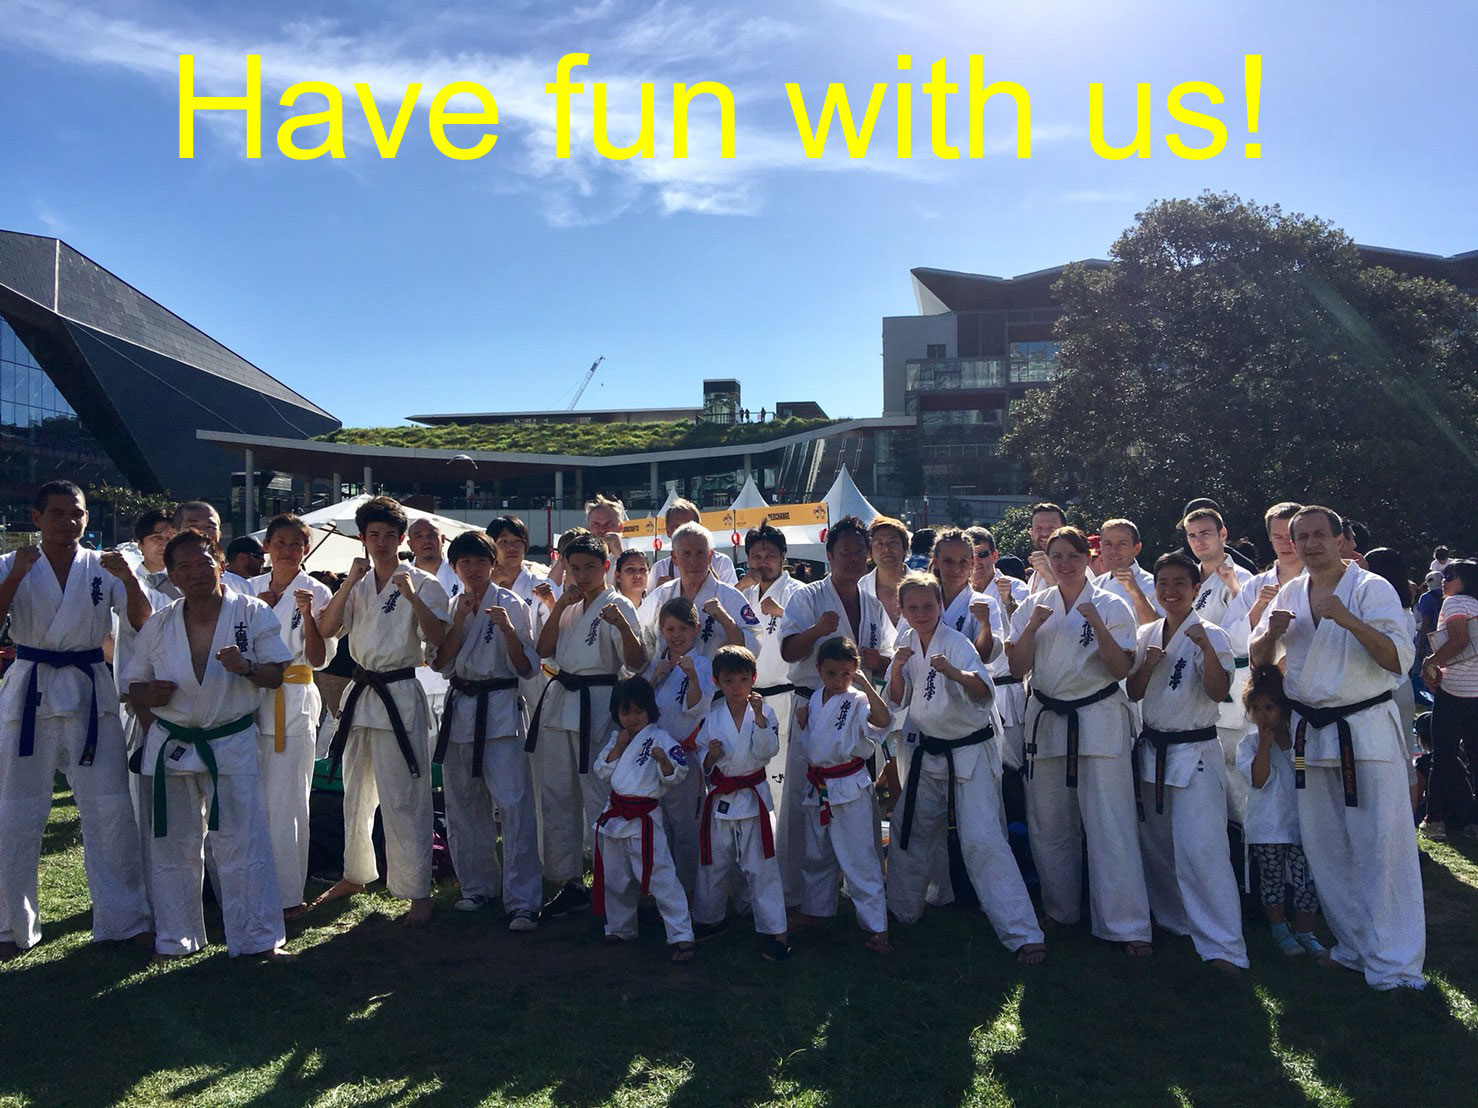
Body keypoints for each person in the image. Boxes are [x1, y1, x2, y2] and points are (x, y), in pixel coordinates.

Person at [1250, 505, 1423, 989]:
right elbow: (1261, 661)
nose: (1309, 544)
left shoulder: (1371, 589)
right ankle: (1353, 946)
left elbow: (1397, 659)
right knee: (1326, 848)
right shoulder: (1289, 591)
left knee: (1380, 847)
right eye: (1299, 536)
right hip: (1312, 733)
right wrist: (1270, 634)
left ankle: (1397, 963)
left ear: (1342, 538)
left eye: (1319, 534)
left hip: (1363, 729)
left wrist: (1348, 620)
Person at [0, 481, 154, 960]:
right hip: (30, 690)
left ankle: (124, 919)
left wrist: (129, 579)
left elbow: (145, 623)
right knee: (16, 811)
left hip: (91, 691)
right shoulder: (11, 563)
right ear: (37, 516)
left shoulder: (106, 565)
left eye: (78, 514)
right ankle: (10, 926)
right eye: (58, 513)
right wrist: (14, 577)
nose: (69, 522)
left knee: (110, 808)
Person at [127, 528, 293, 960]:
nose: (197, 572)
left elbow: (275, 675)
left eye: (204, 562)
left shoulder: (252, 613)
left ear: (220, 564)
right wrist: (148, 699)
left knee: (243, 842)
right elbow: (134, 687)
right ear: (173, 577)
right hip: (172, 743)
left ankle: (257, 939)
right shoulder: (159, 624)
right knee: (172, 846)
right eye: (185, 566)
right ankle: (176, 939)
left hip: (229, 739)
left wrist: (246, 666)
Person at [1006, 526, 1152, 954]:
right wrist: (1031, 627)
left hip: (1098, 717)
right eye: (1057, 556)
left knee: (1112, 823)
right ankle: (1061, 908)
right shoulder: (1034, 606)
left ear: (1089, 560)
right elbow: (1016, 669)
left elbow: (1121, 669)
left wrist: (1096, 623)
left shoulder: (1111, 604)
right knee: (1049, 823)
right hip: (1048, 719)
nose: (1065, 563)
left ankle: (1127, 925)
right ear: (1047, 560)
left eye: (1073, 555)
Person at [885, 573, 1045, 962]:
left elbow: (984, 691)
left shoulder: (956, 643)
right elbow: (898, 698)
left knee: (982, 838)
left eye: (928, 605)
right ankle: (902, 911)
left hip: (970, 749)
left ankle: (1022, 932)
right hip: (928, 749)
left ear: (940, 606)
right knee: (911, 830)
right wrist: (894, 669)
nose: (921, 613)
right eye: (913, 607)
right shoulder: (906, 642)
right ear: (902, 610)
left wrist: (955, 673)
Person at [312, 496, 451, 927]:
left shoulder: (422, 583)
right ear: (363, 539)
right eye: (374, 536)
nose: (382, 543)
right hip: (362, 693)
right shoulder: (358, 582)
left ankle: (416, 890)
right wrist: (347, 584)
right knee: (356, 792)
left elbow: (439, 638)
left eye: (390, 535)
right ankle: (355, 874)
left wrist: (411, 597)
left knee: (404, 795)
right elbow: (327, 629)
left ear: (401, 538)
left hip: (400, 691)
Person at [1125, 552, 1248, 971]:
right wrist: (1149, 664)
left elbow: (1217, 692)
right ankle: (1174, 920)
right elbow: (1135, 691)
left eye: (1180, 583)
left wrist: (1206, 651)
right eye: (1163, 583)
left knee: (1202, 849)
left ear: (1197, 589)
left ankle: (1223, 944)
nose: (1171, 590)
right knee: (1158, 847)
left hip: (1194, 750)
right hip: (1153, 751)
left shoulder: (1211, 633)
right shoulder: (1147, 634)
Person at [776, 515, 896, 908]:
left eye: (859, 552)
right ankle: (799, 894)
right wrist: (815, 630)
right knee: (804, 800)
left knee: (857, 801)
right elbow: (788, 651)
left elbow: (887, 656)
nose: (852, 558)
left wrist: (881, 660)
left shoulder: (874, 604)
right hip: (813, 707)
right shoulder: (808, 597)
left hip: (857, 709)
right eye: (844, 551)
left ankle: (862, 891)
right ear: (829, 555)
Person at [529, 533, 646, 918]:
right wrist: (560, 602)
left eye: (590, 567)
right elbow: (544, 650)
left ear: (606, 567)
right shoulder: (570, 603)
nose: (581, 575)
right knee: (558, 794)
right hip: (563, 699)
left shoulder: (618, 604)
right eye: (574, 567)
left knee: (599, 795)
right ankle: (570, 882)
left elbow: (637, 660)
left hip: (598, 703)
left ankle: (612, 881)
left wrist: (623, 626)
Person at [432, 530, 541, 928]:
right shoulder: (451, 604)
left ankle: (523, 899)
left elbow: (526, 666)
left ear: (492, 564)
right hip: (461, 709)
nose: (473, 570)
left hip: (500, 713)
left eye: (480, 562)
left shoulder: (512, 603)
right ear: (455, 568)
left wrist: (509, 630)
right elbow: (440, 664)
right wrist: (459, 621)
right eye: (465, 564)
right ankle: (476, 886)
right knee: (462, 806)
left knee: (514, 806)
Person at [247, 514, 333, 919]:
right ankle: (245, 884)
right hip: (247, 700)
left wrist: (311, 617)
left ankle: (287, 894)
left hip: (294, 695)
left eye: (295, 543)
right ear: (266, 546)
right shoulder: (245, 591)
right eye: (279, 542)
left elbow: (319, 658)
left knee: (288, 800)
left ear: (305, 548)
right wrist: (257, 614)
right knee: (248, 799)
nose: (286, 550)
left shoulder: (316, 591)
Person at [792, 637, 892, 954]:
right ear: (818, 669)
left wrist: (865, 684)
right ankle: (815, 910)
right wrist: (806, 724)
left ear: (855, 672)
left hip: (849, 787)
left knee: (860, 856)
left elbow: (882, 721)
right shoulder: (814, 701)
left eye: (846, 673)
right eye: (831, 673)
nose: (838, 680)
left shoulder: (859, 699)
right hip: (819, 786)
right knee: (816, 854)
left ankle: (878, 928)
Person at [693, 645, 789, 960]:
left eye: (743, 680)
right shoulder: (713, 716)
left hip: (753, 796)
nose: (737, 688)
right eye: (729, 681)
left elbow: (768, 751)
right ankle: (709, 918)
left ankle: (775, 931)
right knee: (714, 863)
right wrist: (711, 757)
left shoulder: (765, 712)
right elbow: (701, 755)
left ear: (754, 679)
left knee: (762, 865)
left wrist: (760, 719)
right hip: (721, 798)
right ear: (717, 682)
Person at [591, 677, 695, 962]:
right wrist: (619, 748)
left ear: (650, 710)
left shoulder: (661, 738)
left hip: (644, 819)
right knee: (616, 879)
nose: (632, 718)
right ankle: (620, 927)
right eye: (625, 713)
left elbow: (676, 773)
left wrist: (662, 760)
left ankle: (682, 935)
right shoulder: (617, 739)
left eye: (638, 711)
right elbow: (602, 771)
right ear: (617, 715)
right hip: (614, 817)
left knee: (662, 878)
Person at [1236, 665, 1327, 958]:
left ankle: (1306, 932)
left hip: (1301, 824)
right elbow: (1259, 779)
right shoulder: (1248, 744)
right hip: (1267, 826)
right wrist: (1264, 745)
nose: (1264, 715)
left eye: (1270, 708)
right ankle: (1279, 929)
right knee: (1272, 880)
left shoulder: (1302, 740)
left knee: (1305, 881)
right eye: (1257, 709)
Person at [641, 597, 714, 894]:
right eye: (670, 628)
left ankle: (690, 893)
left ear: (696, 629)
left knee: (686, 830)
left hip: (685, 757)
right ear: (661, 630)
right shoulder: (658, 664)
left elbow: (695, 708)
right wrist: (655, 676)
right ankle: (663, 894)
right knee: (660, 827)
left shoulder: (702, 664)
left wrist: (693, 677)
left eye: (683, 628)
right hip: (655, 758)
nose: (676, 634)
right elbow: (638, 709)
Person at [637, 522, 758, 662]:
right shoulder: (661, 595)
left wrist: (726, 620)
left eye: (700, 553)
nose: (694, 561)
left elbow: (754, 647)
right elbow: (643, 641)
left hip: (712, 681)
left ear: (710, 556)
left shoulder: (730, 596)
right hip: (667, 680)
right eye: (686, 554)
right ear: (674, 557)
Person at [1418, 560, 1478, 840]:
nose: (1444, 581)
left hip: (1454, 692)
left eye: (1450, 576)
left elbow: (1459, 639)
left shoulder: (1455, 603)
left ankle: (1434, 820)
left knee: (1443, 757)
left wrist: (1431, 661)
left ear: (1464, 580)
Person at [646, 499, 738, 590]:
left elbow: (731, 600)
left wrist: (714, 582)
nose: (684, 531)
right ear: (668, 532)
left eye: (689, 525)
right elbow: (649, 603)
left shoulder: (721, 563)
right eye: (677, 527)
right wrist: (659, 594)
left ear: (700, 527)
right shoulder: (659, 569)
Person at [548, 494, 627, 589]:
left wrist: (619, 555)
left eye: (609, 524)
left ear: (620, 527)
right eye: (596, 525)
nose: (602, 530)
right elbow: (551, 585)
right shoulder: (577, 552)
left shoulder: (631, 556)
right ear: (588, 527)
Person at [1094, 519, 1161, 626]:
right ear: (1101, 547)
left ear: (1137, 548)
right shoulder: (1095, 584)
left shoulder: (1154, 585)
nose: (1114, 550)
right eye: (1108, 544)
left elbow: (1157, 629)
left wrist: (1135, 592)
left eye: (1122, 544)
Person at [859, 517, 909, 626]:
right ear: (870, 552)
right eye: (879, 543)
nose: (886, 548)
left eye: (893, 542)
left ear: (904, 548)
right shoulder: (860, 589)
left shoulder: (925, 587)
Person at [1024, 502, 1067, 594]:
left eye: (1051, 528)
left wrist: (1048, 574)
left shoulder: (1076, 567)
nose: (1044, 534)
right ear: (1031, 532)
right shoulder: (1035, 573)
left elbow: (1075, 604)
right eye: (1038, 528)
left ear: (1064, 530)